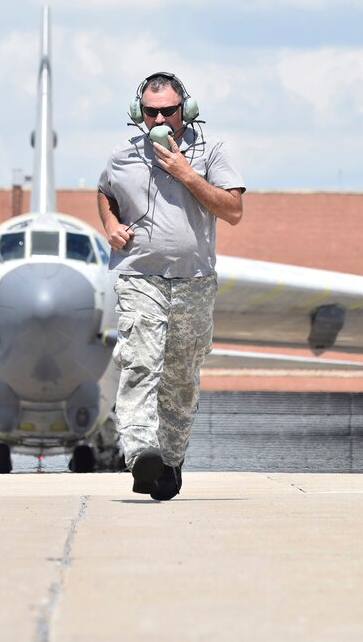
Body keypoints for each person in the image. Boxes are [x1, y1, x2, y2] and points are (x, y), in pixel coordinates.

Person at [97, 72, 245, 499]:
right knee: (141, 362)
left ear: (187, 109)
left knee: (181, 378)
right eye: (150, 111)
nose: (159, 118)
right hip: (139, 274)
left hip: (195, 281)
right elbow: (105, 192)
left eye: (168, 110)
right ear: (137, 112)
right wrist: (111, 224)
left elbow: (233, 210)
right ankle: (141, 450)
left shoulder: (212, 150)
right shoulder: (123, 154)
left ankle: (170, 462)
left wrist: (185, 172)